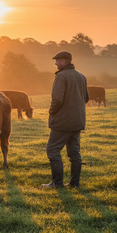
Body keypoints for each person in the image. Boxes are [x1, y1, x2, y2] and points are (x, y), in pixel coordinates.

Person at [42, 51, 89, 188]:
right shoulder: (81, 76)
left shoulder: (61, 76)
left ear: (63, 61)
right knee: (74, 153)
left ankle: (57, 183)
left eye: (57, 61)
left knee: (52, 149)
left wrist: (52, 112)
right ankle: (74, 183)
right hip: (78, 121)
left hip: (62, 122)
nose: (55, 63)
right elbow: (86, 98)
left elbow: (57, 99)